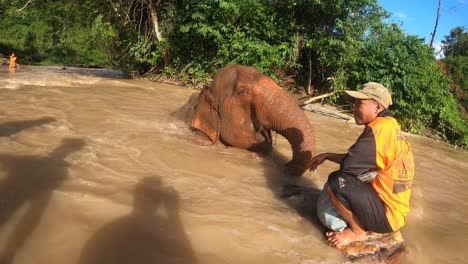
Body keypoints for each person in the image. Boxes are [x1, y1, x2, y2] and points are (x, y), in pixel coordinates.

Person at [309, 82, 414, 247]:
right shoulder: (391, 126)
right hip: (395, 213)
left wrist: (329, 158)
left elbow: (347, 169)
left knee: (336, 181)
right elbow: (357, 161)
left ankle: (357, 231)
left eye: (359, 103)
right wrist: (328, 155)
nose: (354, 108)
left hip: (386, 217)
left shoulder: (377, 129)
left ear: (377, 107)